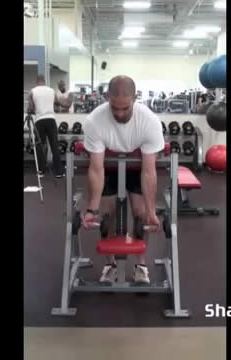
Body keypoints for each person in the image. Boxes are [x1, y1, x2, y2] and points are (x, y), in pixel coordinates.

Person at [81, 75, 165, 285]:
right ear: (107, 97)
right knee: (106, 214)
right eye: (114, 108)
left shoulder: (149, 121)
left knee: (141, 214)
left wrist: (152, 211)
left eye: (125, 108)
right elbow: (96, 168)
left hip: (137, 167)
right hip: (108, 165)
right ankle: (110, 265)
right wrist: (92, 209)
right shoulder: (94, 121)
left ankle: (141, 265)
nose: (119, 114)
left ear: (135, 98)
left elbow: (148, 172)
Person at [28, 75, 64, 178]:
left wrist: (34, 109)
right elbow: (57, 106)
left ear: (37, 81)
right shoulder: (51, 90)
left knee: (40, 146)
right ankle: (58, 172)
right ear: (44, 81)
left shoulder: (32, 91)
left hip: (39, 121)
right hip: (51, 120)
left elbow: (30, 108)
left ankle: (41, 171)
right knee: (54, 145)